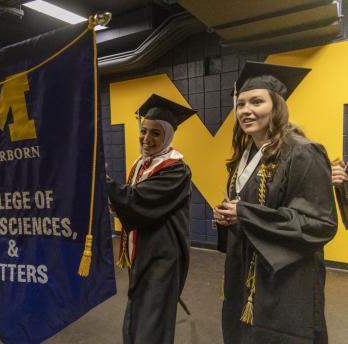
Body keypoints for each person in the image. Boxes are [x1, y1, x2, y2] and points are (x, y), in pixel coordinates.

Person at [213, 61, 337, 344]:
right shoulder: (245, 155)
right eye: (241, 103)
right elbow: (250, 210)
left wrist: (245, 215)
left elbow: (320, 224)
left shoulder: (303, 153)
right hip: (245, 272)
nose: (246, 110)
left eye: (257, 101)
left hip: (287, 281)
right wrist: (228, 216)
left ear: (277, 106)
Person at [107, 94, 194, 344]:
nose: (147, 138)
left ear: (167, 136)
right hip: (144, 251)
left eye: (156, 133)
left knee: (152, 320)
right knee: (139, 310)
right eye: (144, 131)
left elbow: (139, 201)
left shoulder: (176, 169)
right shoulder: (141, 164)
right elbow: (134, 203)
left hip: (162, 256)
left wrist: (104, 184)